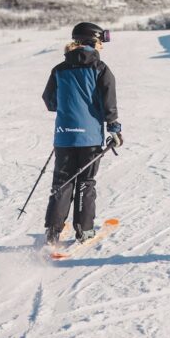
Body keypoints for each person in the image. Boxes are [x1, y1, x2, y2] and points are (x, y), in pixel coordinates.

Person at [42, 22, 122, 245]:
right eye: (100, 41)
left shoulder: (59, 69)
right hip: (89, 137)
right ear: (92, 41)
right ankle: (84, 230)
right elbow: (109, 104)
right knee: (86, 181)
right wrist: (114, 129)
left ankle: (52, 232)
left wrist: (70, 107)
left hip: (64, 135)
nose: (102, 46)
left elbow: (50, 102)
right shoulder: (100, 68)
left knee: (62, 182)